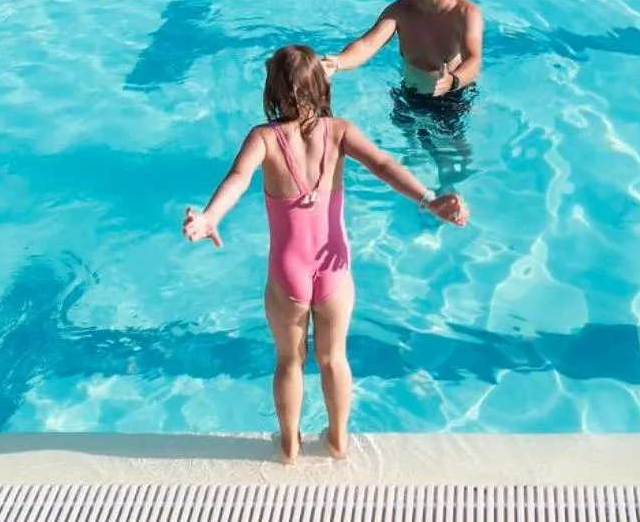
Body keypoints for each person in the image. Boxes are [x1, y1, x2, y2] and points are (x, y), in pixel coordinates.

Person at [183, 45, 467, 464]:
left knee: (288, 361)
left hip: (288, 270)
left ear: (272, 90)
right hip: (333, 266)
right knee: (334, 359)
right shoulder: (339, 131)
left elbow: (239, 178)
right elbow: (384, 165)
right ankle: (337, 441)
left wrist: (210, 217)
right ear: (322, 86)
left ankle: (289, 445)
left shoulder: (264, 138)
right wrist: (428, 199)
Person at [322, 0, 483, 188]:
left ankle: (448, 193)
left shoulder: (465, 13)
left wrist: (452, 82)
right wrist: (338, 62)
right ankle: (417, 177)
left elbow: (473, 59)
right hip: (409, 90)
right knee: (410, 135)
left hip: (449, 96)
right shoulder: (400, 10)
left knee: (452, 156)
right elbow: (367, 44)